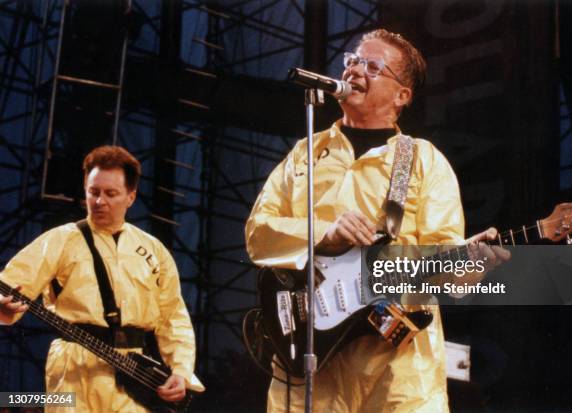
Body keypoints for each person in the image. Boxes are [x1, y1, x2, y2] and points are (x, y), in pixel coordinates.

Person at [245, 29, 509, 412]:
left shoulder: (422, 160)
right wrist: (323, 234)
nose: (354, 70)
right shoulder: (306, 152)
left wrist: (468, 266)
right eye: (351, 60)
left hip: (399, 370)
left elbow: (446, 262)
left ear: (402, 96)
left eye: (372, 66)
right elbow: (258, 234)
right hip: (309, 360)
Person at [0, 146, 204, 412]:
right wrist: (3, 307)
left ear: (130, 197)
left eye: (111, 194)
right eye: (93, 192)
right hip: (73, 368)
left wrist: (180, 370)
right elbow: (10, 283)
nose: (99, 201)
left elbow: (173, 316)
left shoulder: (154, 251)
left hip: (133, 372)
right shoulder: (61, 239)